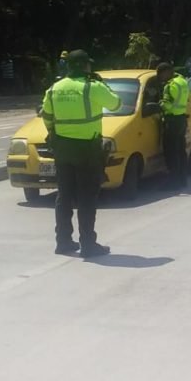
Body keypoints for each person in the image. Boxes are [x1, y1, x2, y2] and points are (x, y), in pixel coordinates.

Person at [41, 50, 121, 258]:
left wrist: (56, 134)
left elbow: (46, 116)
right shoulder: (92, 87)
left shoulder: (55, 88)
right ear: (85, 65)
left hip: (62, 148)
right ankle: (88, 244)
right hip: (87, 149)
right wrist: (102, 84)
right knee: (86, 197)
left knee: (64, 195)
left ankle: (63, 242)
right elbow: (116, 103)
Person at [157, 62, 190, 189]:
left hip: (172, 121)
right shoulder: (182, 81)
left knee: (171, 152)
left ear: (166, 72)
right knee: (181, 151)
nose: (160, 77)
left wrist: (160, 104)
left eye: (160, 74)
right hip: (181, 119)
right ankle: (182, 179)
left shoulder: (170, 86)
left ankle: (173, 182)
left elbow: (167, 105)